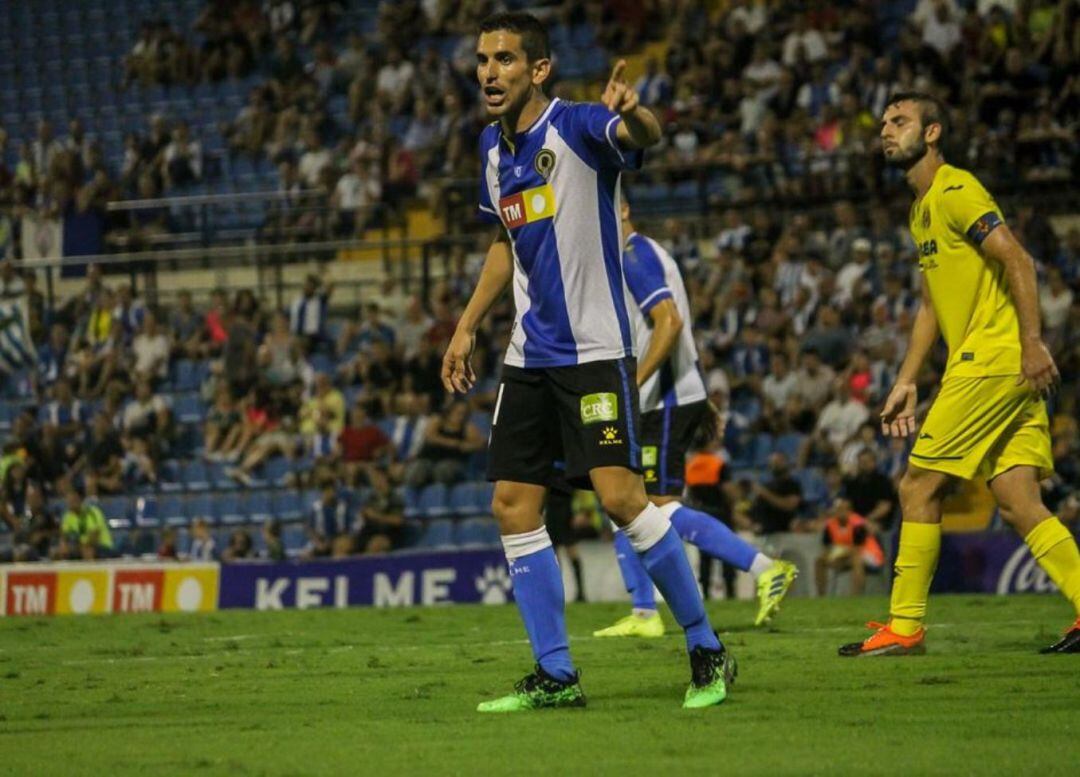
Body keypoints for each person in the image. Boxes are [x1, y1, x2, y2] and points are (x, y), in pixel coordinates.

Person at [442, 12, 731, 711]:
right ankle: (556, 673)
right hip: (527, 358)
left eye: (506, 59)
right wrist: (465, 326)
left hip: (597, 352)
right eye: (484, 59)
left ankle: (706, 646)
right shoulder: (490, 147)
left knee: (622, 499)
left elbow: (639, 136)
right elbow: (502, 244)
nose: (489, 71)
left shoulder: (576, 126)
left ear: (538, 69)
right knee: (512, 504)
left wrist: (638, 115)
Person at [841, 93, 1080, 657]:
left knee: (918, 484)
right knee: (1019, 501)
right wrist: (906, 380)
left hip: (993, 362)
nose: (886, 131)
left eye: (899, 122)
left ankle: (904, 626)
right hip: (995, 365)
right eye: (883, 124)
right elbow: (929, 305)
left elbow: (1017, 259)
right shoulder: (921, 208)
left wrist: (1031, 342)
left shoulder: (955, 189)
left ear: (932, 132)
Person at [593, 202, 797, 638]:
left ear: (625, 208)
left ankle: (765, 567)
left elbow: (670, 323)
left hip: (662, 400)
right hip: (666, 397)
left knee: (657, 508)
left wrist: (635, 382)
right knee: (621, 497)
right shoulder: (636, 255)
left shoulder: (634, 254)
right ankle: (644, 613)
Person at [815, 498, 885, 596]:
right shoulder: (830, 525)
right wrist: (831, 558)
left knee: (855, 557)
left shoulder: (857, 524)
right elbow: (827, 546)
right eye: (838, 509)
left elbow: (857, 548)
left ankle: (855, 596)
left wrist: (838, 555)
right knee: (820, 560)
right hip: (844, 555)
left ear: (849, 511)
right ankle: (821, 596)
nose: (840, 512)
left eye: (844, 509)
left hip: (871, 555)